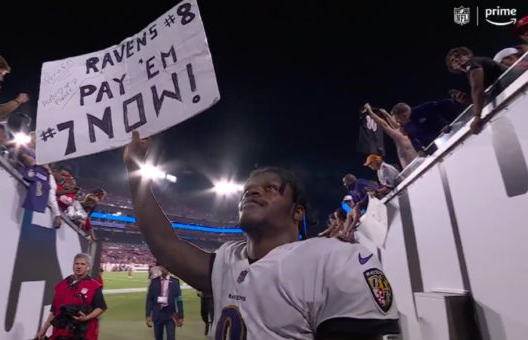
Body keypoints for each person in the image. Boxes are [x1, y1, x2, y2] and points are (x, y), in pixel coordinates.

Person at [124, 131, 399, 339]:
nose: (253, 192)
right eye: (248, 190)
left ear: (297, 212)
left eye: (271, 188)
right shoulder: (229, 259)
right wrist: (135, 169)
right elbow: (165, 245)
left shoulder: (335, 260)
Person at [36, 253, 107, 340]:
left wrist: (86, 318)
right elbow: (54, 310)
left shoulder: (93, 286)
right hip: (60, 332)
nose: (79, 266)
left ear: (88, 267)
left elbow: (101, 307)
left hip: (82, 333)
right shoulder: (62, 284)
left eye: (82, 264)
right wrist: (44, 329)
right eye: (76, 263)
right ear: (73, 265)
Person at [445, 46, 507, 134]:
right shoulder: (471, 72)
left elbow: (477, 89)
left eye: (457, 56)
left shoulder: (472, 63)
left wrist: (477, 116)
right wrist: (468, 100)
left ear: (468, 55)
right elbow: (484, 98)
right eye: (452, 61)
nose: (455, 60)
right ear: (453, 67)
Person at [362, 103, 417, 168]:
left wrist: (383, 114)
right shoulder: (401, 135)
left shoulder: (402, 135)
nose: (398, 122)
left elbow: (390, 125)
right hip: (413, 165)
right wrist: (374, 113)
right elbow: (389, 125)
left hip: (415, 164)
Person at [146, 264, 184, 340]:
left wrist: (181, 316)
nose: (164, 269)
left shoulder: (175, 281)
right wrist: (148, 315)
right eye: (163, 267)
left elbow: (179, 299)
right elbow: (150, 299)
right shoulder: (154, 282)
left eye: (166, 267)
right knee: (158, 337)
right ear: (160, 268)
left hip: (171, 314)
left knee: (171, 337)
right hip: (157, 314)